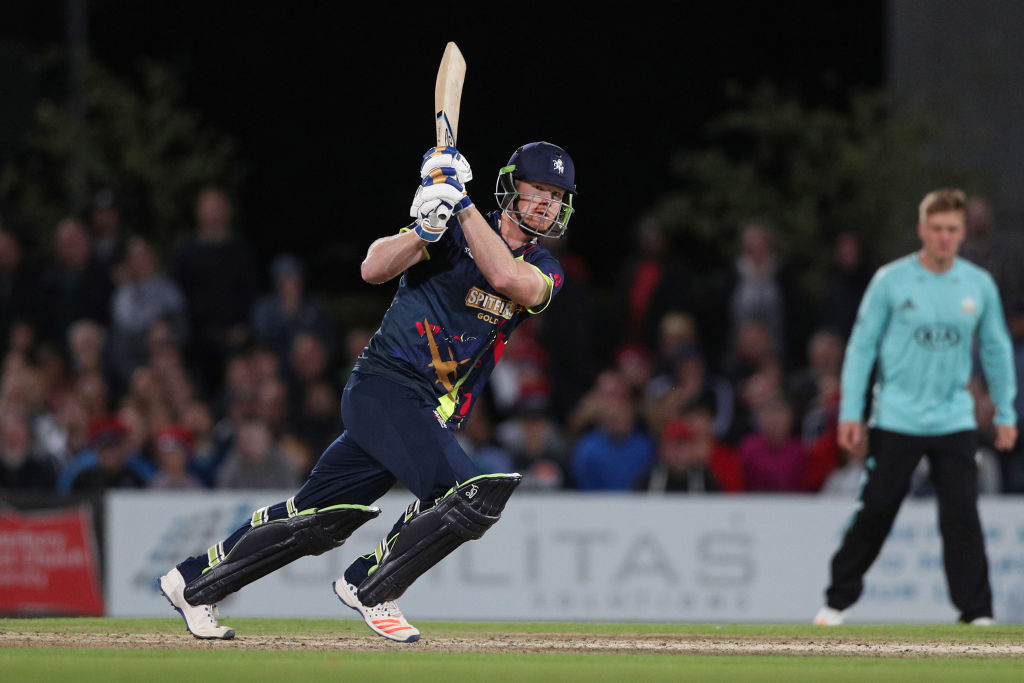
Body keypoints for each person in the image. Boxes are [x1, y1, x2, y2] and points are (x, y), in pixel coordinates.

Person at [158, 141, 577, 642]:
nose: (547, 203)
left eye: (557, 195)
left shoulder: (546, 268)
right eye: (539, 190)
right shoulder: (447, 229)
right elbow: (372, 268)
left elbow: (507, 278)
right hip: (385, 386)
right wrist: (425, 228)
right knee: (469, 497)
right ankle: (370, 587)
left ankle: (192, 582)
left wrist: (460, 203)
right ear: (511, 186)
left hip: (428, 412)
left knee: (318, 522)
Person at [813, 189, 1017, 627]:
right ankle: (837, 600)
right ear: (922, 230)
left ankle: (976, 612)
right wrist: (851, 412)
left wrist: (1005, 413)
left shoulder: (977, 284)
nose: (944, 238)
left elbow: (997, 349)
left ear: (962, 233)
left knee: (961, 513)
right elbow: (861, 348)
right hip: (898, 415)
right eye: (937, 229)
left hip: (953, 416)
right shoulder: (891, 281)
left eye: (952, 230)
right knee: (878, 509)